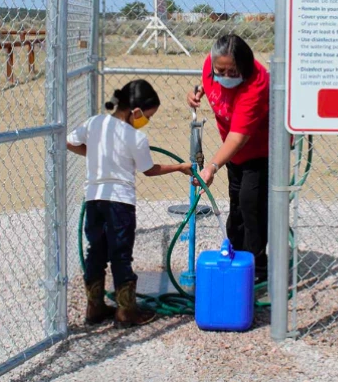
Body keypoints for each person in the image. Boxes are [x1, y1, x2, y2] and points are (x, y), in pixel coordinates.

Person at [67, 79, 191, 327]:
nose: (146, 121)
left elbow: (70, 141)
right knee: (121, 256)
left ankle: (94, 308)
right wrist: (180, 167)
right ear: (135, 111)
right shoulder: (136, 137)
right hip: (120, 204)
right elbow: (149, 169)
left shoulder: (95, 122)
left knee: (96, 252)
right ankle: (126, 312)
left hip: (94, 199)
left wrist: (94, 153)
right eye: (147, 116)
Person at [187, 34, 272, 283]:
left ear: (244, 67)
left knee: (251, 205)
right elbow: (207, 82)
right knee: (236, 204)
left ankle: (258, 270)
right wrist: (197, 92)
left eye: (231, 71)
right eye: (219, 70)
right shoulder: (211, 66)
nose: (224, 75)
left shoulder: (256, 83)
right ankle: (235, 257)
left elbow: (238, 137)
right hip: (233, 153)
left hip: (259, 150)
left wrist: (212, 166)